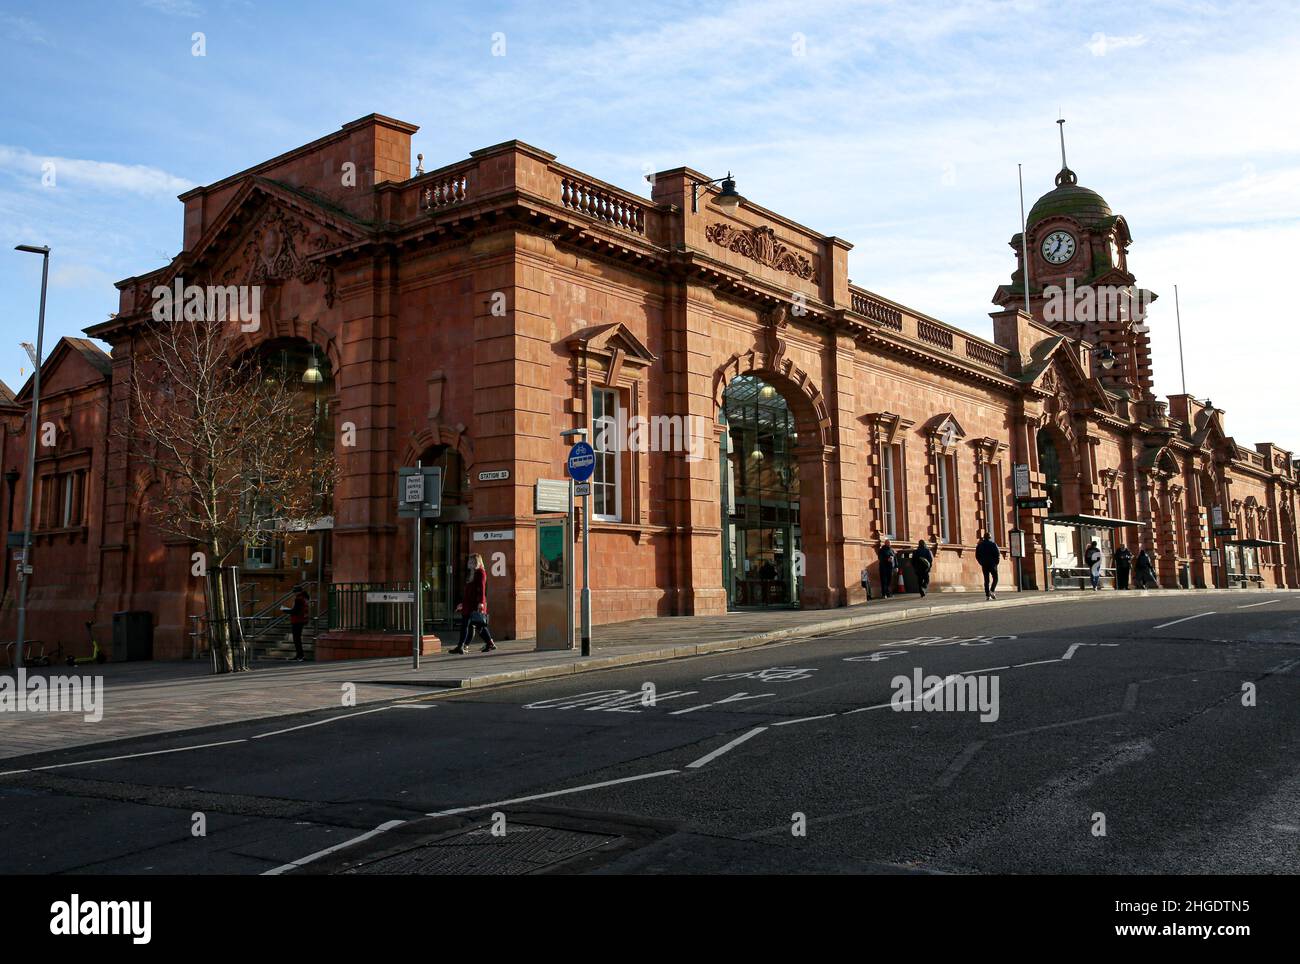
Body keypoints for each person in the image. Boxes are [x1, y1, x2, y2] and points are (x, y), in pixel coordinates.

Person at [451, 553, 497, 654]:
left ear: (478, 562)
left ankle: (462, 646)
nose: (471, 563)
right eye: (470, 561)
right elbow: (469, 592)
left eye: (473, 562)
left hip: (475, 604)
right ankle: (488, 643)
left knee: (472, 625)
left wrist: (481, 603)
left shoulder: (480, 572)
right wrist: (462, 603)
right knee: (475, 625)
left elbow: (482, 588)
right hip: (469, 604)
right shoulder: (472, 573)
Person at [975, 531, 1000, 600]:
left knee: (986, 580)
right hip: (992, 564)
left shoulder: (979, 545)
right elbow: (997, 554)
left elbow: (977, 556)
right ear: (990, 537)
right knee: (995, 578)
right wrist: (996, 563)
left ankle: (987, 595)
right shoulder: (993, 544)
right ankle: (992, 591)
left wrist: (981, 562)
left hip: (984, 564)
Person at [288, 585, 310, 661]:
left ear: (298, 592)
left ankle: (300, 655)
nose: (294, 594)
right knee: (297, 638)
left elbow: (295, 611)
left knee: (296, 639)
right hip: (302, 620)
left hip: (297, 620)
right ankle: (299, 655)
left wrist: (286, 610)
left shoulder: (298, 599)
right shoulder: (305, 598)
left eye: (295, 592)